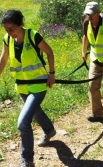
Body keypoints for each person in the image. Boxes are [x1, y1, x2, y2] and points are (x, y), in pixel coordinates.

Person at [0, 10, 56, 167]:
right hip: (22, 87)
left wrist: (52, 74)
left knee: (23, 123)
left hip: (38, 85)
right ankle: (49, 130)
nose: (9, 33)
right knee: (36, 111)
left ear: (21, 24)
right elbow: (3, 59)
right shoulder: (7, 40)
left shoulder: (33, 36)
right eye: (6, 29)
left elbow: (49, 52)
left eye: (12, 29)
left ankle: (27, 160)